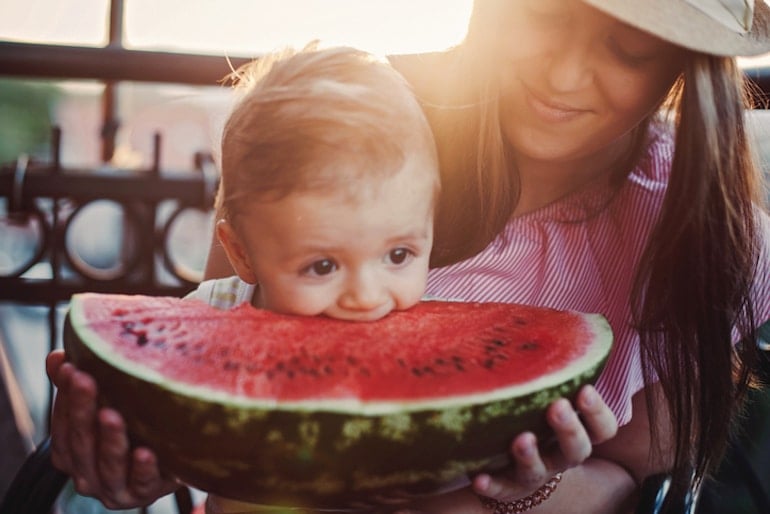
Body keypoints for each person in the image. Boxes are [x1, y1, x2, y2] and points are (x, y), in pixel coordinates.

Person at [47, 0, 770, 513]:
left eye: (631, 46)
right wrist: (141, 458)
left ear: (683, 64)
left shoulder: (704, 235)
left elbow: (643, 488)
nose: (567, 75)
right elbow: (225, 391)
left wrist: (529, 491)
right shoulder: (335, 134)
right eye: (548, 13)